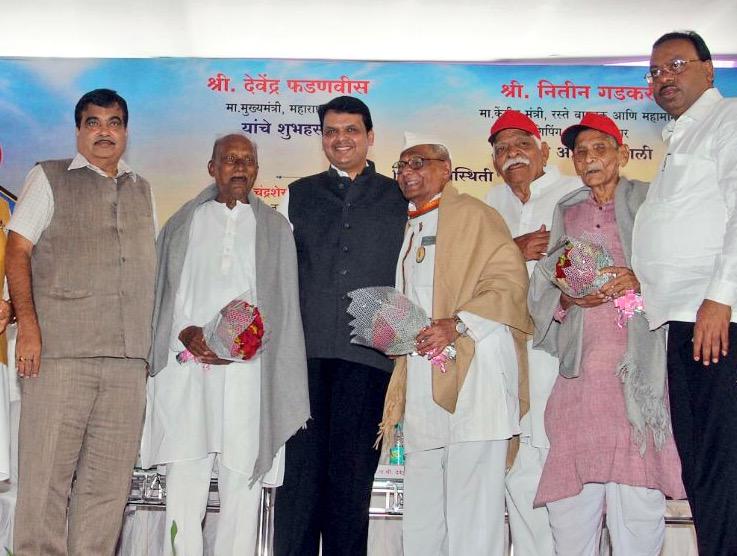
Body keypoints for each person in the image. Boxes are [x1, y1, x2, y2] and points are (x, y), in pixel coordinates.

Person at [142, 133, 309, 556]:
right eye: (230, 159)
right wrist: (186, 332)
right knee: (186, 479)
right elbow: (164, 295)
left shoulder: (275, 229)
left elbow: (283, 306)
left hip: (247, 375)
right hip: (187, 371)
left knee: (242, 481)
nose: (240, 167)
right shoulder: (183, 224)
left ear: (256, 170)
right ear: (212, 167)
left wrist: (246, 343)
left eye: (248, 160)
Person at [6, 88, 156, 555]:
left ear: (126, 132)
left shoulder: (142, 188)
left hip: (127, 364)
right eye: (93, 122)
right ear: (78, 131)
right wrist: (28, 326)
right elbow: (16, 249)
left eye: (113, 122)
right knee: (45, 485)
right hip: (60, 357)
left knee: (107, 495)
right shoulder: (48, 177)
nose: (104, 131)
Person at [529, 113, 684, 555]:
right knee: (570, 507)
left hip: (639, 373)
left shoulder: (652, 201)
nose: (589, 159)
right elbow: (545, 283)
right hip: (582, 374)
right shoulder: (568, 210)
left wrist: (640, 280)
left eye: (600, 149)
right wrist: (567, 300)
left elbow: (680, 270)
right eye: (580, 153)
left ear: (623, 154)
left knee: (637, 501)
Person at [380, 133, 531, 555]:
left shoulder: (473, 215)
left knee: (473, 505)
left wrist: (457, 324)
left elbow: (508, 282)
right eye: (402, 166)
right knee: (423, 501)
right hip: (424, 378)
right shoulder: (409, 225)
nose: (408, 172)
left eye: (419, 162)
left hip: (475, 376)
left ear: (446, 169)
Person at [274, 96, 407, 556]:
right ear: (322, 139)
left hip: (368, 358)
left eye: (351, 130)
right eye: (331, 131)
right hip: (304, 356)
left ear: (370, 137)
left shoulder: (398, 196)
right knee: (301, 479)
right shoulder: (299, 193)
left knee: (352, 482)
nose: (340, 139)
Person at [631, 30, 737, 556]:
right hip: (680, 321)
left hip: (718, 319)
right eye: (654, 72)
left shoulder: (729, 119)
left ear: (709, 69)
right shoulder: (680, 138)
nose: (663, 78)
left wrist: (722, 297)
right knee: (700, 465)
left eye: (674, 64)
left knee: (724, 463)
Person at [486, 110, 578, 556]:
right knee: (518, 461)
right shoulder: (488, 205)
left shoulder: (572, 192)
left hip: (559, 351)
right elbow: (471, 273)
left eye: (520, 143)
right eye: (501, 149)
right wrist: (513, 251)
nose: (511, 154)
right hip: (504, 349)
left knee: (559, 457)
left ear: (543, 148)